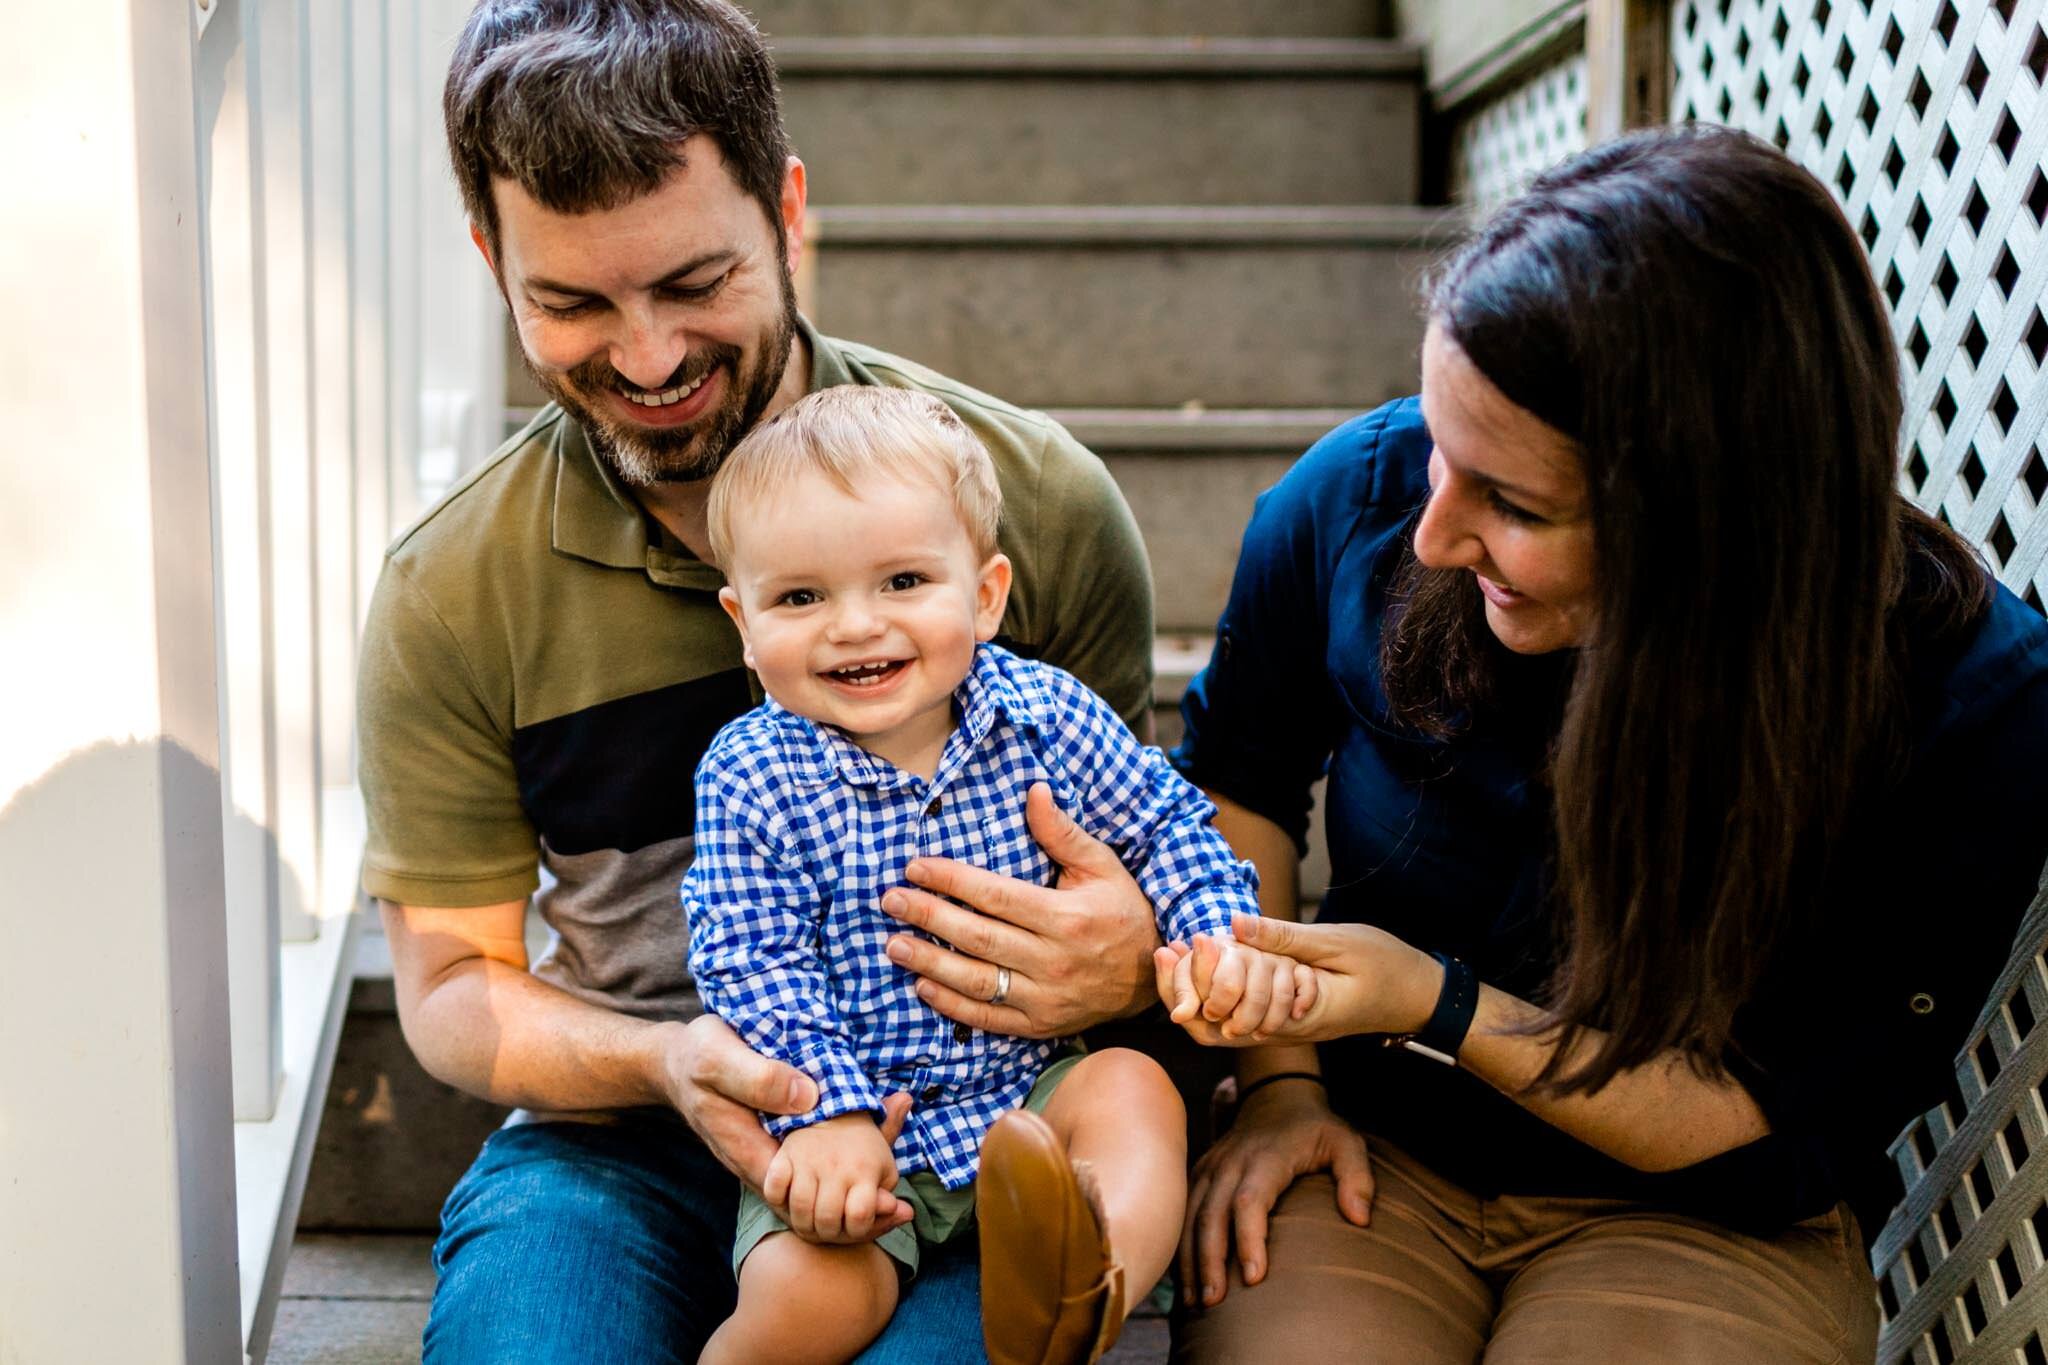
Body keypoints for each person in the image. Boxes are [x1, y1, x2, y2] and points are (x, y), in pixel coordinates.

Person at [1156, 124, 2048, 1361]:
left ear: (1706, 522)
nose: (1429, 534)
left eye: (1512, 504)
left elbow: (1769, 1120)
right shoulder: (1356, 496)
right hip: (1378, 1151)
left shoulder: (1966, 697)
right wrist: (1282, 1086)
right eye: (1435, 445)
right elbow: (1235, 780)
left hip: (1701, 1210)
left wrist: (1434, 999)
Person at [355, 3, 1168, 1359]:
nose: (651, 357)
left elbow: (1130, 847)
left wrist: (1133, 949)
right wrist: (661, 1060)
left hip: (973, 1118)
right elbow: (450, 987)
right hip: (621, 1137)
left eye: (693, 284)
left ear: (790, 213)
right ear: (494, 262)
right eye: (570, 302)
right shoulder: (454, 589)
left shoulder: (1035, 505)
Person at [682, 386, 1305, 1364]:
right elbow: (749, 958)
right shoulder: (752, 772)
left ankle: (1081, 1284)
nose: (853, 625)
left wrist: (1214, 931)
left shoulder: (1043, 717)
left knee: (1134, 1089)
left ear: (983, 594)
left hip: (1028, 1103)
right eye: (800, 597)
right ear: (743, 622)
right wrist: (826, 1118)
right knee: (807, 1304)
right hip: (859, 1126)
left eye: (900, 582)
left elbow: (1163, 823)